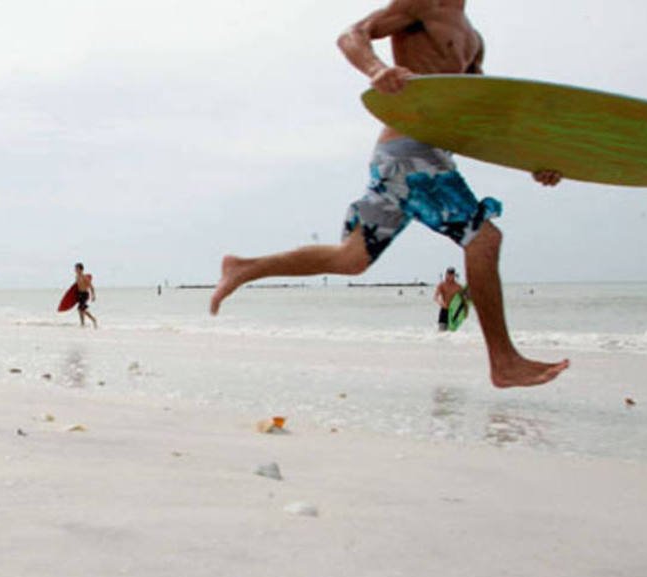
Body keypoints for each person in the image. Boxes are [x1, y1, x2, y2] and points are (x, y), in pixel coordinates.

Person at [210, 0, 569, 388]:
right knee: (483, 239)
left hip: (409, 158)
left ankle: (245, 267)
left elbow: (477, 116)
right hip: (411, 152)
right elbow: (351, 35)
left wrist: (533, 161)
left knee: (351, 258)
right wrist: (377, 69)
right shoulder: (423, 4)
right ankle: (504, 361)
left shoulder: (473, 39)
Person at [434, 267, 463, 331]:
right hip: (444, 310)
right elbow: (435, 297)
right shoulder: (442, 285)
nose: (450, 276)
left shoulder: (458, 287)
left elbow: (463, 300)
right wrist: (441, 303)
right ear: (446, 274)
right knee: (441, 332)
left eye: (452, 274)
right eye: (449, 274)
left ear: (454, 275)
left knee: (453, 334)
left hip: (454, 312)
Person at [74, 262, 97, 328]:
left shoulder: (85, 277)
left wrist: (93, 296)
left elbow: (91, 287)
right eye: (75, 268)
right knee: (80, 309)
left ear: (81, 269)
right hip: (79, 294)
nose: (75, 270)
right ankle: (82, 323)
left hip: (85, 294)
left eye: (77, 268)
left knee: (82, 309)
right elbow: (76, 287)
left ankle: (93, 319)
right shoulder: (77, 277)